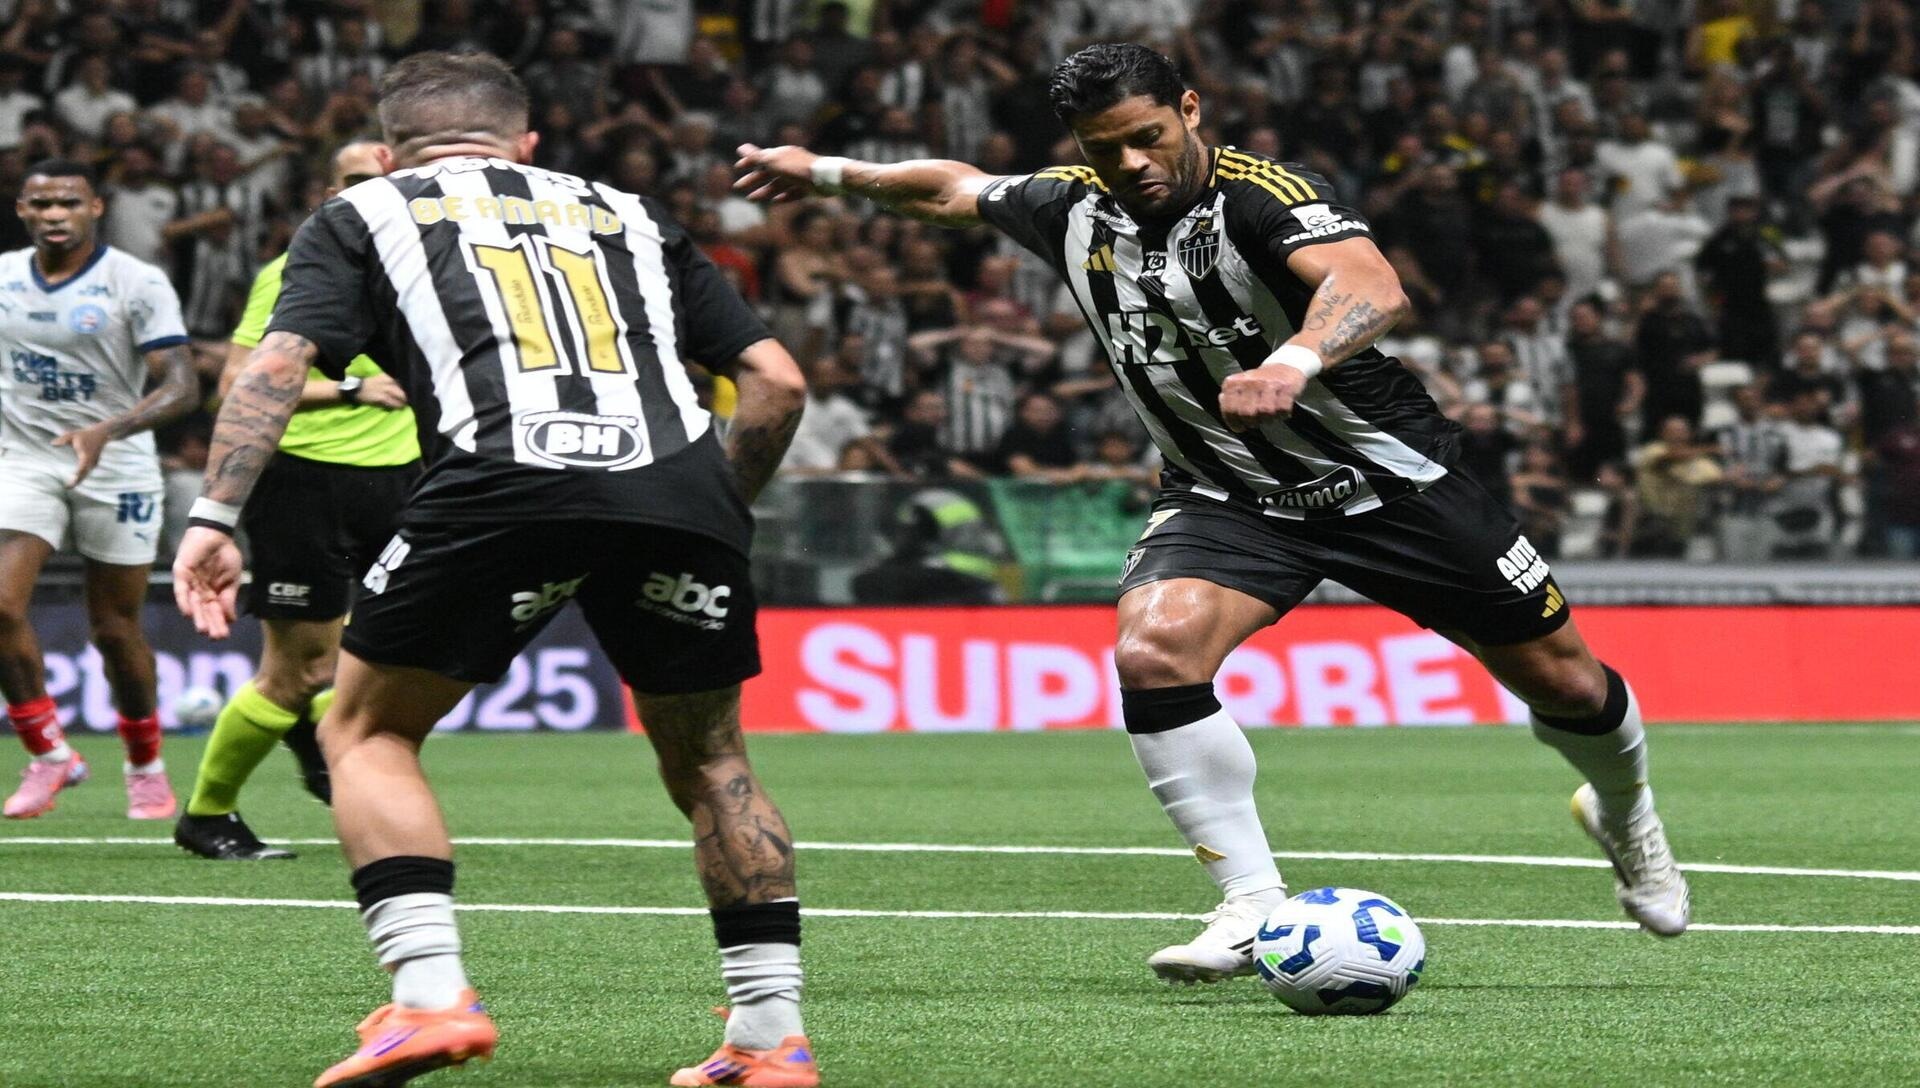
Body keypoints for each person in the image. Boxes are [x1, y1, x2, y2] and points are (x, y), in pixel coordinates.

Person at [737, 42, 1691, 983]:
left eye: (1148, 137)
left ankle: (1627, 815)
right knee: (1154, 651)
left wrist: (1292, 362)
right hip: (1227, 491)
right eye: (1106, 148)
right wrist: (822, 172)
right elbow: (952, 189)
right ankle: (1251, 905)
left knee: (1567, 685)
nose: (1133, 164)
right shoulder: (1072, 208)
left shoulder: (1260, 197)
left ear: (1189, 109)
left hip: (1386, 483)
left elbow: (1370, 284)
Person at [172, 53, 817, 1088]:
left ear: (389, 151)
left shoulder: (364, 209)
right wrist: (714, 510)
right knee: (711, 759)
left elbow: (276, 364)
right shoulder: (628, 211)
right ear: (526, 144)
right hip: (677, 485)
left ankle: (427, 998)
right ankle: (772, 1036)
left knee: (365, 726)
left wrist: (214, 515)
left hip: (501, 478)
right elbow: (776, 382)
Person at [172, 142, 421, 863]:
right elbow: (239, 387)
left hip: (399, 482)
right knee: (298, 669)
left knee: (379, 655)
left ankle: (322, 742)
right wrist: (350, 388)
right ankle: (208, 814)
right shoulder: (292, 273)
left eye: (385, 183)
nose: (371, 195)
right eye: (354, 183)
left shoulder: (426, 272)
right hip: (305, 481)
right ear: (327, 191)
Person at [0, 158, 196, 821]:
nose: (55, 215)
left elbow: (181, 386)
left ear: (95, 208)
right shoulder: (2, 276)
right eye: (41, 204)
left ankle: (145, 764)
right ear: (23, 210)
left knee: (114, 631)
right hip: (26, 458)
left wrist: (110, 428)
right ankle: (52, 756)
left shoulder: (136, 282)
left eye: (68, 203)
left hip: (116, 463)